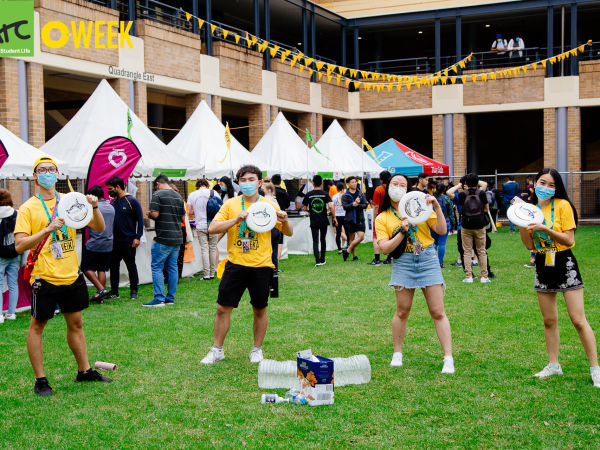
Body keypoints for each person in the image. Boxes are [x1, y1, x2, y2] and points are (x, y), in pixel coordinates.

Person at [14, 156, 112, 396]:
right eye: (42, 170)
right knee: (38, 326)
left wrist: (95, 206)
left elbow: (99, 227)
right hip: (44, 276)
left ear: (57, 174)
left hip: (71, 273)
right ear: (35, 177)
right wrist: (47, 229)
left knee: (76, 323)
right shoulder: (28, 208)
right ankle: (40, 380)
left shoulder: (69, 201)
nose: (48, 173)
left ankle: (85, 371)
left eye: (52, 169)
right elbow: (19, 245)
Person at [201, 165, 293, 365]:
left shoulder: (268, 205)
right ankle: (217, 350)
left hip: (261, 265)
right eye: (243, 180)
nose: (247, 183)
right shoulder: (231, 204)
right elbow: (212, 228)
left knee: (259, 308)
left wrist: (284, 221)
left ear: (260, 183)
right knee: (222, 308)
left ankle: (257, 349)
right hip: (235, 264)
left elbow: (288, 232)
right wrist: (236, 219)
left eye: (251, 179)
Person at [518, 168, 599, 388]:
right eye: (542, 183)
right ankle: (553, 365)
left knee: (578, 319)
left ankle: (596, 369)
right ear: (535, 184)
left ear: (557, 188)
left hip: (564, 261)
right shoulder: (531, 209)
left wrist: (545, 227)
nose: (546, 188)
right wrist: (521, 221)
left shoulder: (563, 206)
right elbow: (529, 245)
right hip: (543, 262)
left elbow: (569, 240)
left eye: (552, 185)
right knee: (549, 320)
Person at [375, 173, 454, 374]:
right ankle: (397, 354)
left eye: (403, 184)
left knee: (438, 311)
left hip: (427, 257)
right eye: (395, 183)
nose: (399, 187)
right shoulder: (382, 217)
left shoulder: (421, 205)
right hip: (403, 262)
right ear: (387, 186)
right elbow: (385, 249)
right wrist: (402, 231)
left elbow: (442, 230)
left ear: (408, 188)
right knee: (402, 310)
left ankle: (448, 358)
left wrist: (436, 206)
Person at [143, 175, 186, 307]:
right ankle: (170, 298)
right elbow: (183, 218)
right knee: (172, 267)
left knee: (157, 267)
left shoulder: (158, 194)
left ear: (157, 184)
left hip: (163, 237)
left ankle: (159, 298)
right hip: (177, 237)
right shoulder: (178, 196)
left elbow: (155, 214)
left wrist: (149, 214)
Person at [106, 176, 144, 300]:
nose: (109, 191)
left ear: (118, 187)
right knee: (113, 266)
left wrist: (138, 237)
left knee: (131, 266)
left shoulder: (131, 201)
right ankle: (114, 291)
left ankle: (134, 291)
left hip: (128, 241)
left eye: (110, 189)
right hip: (115, 241)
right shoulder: (114, 202)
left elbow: (140, 220)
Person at [81, 185, 115, 303]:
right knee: (102, 269)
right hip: (108, 243)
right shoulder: (111, 207)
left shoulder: (92, 208)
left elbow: (84, 223)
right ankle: (99, 296)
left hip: (94, 242)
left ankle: (101, 289)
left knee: (85, 267)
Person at [458, 173, 491, 284]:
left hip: (466, 225)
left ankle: (468, 277)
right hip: (479, 225)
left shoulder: (462, 195)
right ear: (477, 182)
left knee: (467, 252)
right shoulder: (481, 193)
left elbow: (461, 209)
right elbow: (486, 209)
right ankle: (484, 276)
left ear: (466, 183)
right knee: (481, 251)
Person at [187, 179, 220, 280]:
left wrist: (197, 210)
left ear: (198, 186)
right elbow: (220, 208)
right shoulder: (214, 193)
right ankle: (212, 273)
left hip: (200, 225)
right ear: (207, 185)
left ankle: (206, 274)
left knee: (204, 249)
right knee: (213, 248)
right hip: (213, 224)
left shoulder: (192, 195)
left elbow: (190, 212)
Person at [303, 175, 334, 267]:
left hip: (314, 220)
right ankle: (323, 259)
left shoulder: (309, 194)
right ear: (321, 183)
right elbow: (331, 206)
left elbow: (304, 207)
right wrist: (329, 212)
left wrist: (310, 210)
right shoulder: (325, 193)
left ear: (312, 183)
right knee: (323, 240)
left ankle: (317, 261)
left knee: (315, 240)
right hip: (323, 219)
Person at [0, 189, 20, 321]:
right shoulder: (17, 214)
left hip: (0, 255)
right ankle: (11, 313)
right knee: (13, 284)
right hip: (15, 253)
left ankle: (0, 314)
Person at [341, 176, 367, 262]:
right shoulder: (345, 196)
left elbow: (365, 205)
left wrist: (358, 205)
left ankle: (347, 250)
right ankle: (354, 256)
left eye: (355, 182)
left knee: (361, 236)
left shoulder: (360, 194)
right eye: (352, 182)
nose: (355, 184)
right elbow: (345, 207)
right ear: (348, 184)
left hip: (360, 218)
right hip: (350, 219)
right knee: (351, 237)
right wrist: (353, 204)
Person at [370, 170, 391, 266]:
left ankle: (377, 258)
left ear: (381, 179)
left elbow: (376, 206)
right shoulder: (393, 188)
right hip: (391, 216)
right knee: (390, 237)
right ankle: (389, 258)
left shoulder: (379, 189)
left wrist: (374, 218)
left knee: (376, 237)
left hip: (380, 216)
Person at [271, 174, 289, 270]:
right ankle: (276, 264)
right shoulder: (284, 192)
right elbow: (287, 204)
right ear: (280, 181)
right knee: (280, 241)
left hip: (271, 218)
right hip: (281, 218)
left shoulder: (270, 192)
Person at [431, 183, 451, 267]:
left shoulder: (431, 198)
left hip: (432, 221)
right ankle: (440, 262)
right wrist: (453, 224)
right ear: (444, 189)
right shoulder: (446, 198)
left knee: (434, 243)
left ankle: (433, 261)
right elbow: (451, 213)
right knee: (442, 243)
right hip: (445, 222)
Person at [331, 181, 347, 254]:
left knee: (338, 233)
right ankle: (348, 247)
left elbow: (332, 207)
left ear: (337, 188)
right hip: (345, 215)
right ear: (343, 188)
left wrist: (333, 216)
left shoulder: (334, 196)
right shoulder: (346, 195)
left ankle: (339, 249)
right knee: (347, 231)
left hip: (337, 215)